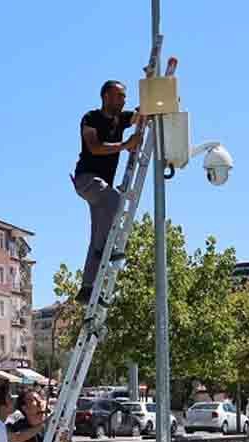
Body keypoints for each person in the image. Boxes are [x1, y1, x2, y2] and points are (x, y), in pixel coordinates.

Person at [71, 80, 143, 303]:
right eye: (119, 96)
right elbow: (94, 146)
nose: (123, 100)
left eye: (125, 97)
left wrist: (153, 101)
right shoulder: (91, 118)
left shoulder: (121, 119)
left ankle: (87, 288)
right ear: (106, 97)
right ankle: (106, 251)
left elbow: (140, 116)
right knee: (114, 199)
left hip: (101, 188)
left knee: (98, 235)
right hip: (87, 180)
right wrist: (125, 145)